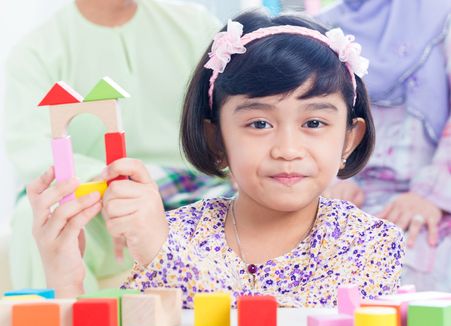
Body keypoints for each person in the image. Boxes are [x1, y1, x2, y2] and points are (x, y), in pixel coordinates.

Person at [27, 11, 405, 307]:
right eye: (259, 123)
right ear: (216, 138)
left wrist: (165, 255)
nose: (287, 149)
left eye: (314, 122)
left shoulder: (369, 242)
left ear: (348, 139)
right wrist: (66, 280)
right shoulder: (174, 233)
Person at [3, 0, 231, 292]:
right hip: (93, 201)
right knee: (35, 218)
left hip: (193, 190)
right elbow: (30, 146)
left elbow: (233, 114)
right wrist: (113, 186)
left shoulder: (196, 27)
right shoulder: (36, 52)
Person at [318, 0, 451, 291]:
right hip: (351, 195)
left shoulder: (443, 16)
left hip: (434, 198)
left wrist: (430, 195)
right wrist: (334, 178)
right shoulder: (321, 28)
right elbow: (311, 115)